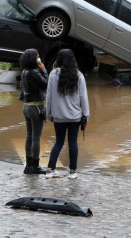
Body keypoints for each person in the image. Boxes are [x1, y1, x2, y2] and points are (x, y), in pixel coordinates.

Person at [45, 49, 89, 179]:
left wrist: (49, 114)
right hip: (75, 116)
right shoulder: (79, 75)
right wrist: (86, 115)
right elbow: (83, 98)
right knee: (72, 142)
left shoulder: (53, 74)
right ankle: (73, 171)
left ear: (58, 59)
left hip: (58, 116)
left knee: (58, 142)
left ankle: (50, 169)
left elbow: (49, 96)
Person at [19, 48, 48, 175]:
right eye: (38, 57)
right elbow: (46, 84)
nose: (39, 59)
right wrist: (44, 70)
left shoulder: (24, 71)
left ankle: (28, 165)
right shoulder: (34, 73)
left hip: (27, 107)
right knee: (36, 137)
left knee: (29, 136)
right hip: (36, 107)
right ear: (33, 59)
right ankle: (35, 165)